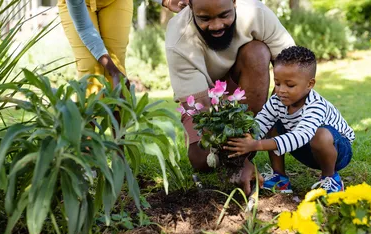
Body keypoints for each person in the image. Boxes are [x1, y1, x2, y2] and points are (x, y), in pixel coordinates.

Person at [165, 0, 295, 195]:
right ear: (190, 6)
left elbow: (292, 66)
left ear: (235, 2)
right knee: (202, 159)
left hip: (240, 87)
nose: (216, 26)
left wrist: (277, 119)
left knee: (257, 52)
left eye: (224, 15)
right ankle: (240, 153)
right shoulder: (178, 38)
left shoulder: (255, 13)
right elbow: (202, 111)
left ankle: (247, 141)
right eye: (205, 18)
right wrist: (237, 163)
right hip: (205, 99)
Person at [224, 46, 355, 194]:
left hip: (337, 152)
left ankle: (330, 179)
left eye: (290, 85)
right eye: (277, 83)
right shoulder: (277, 101)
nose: (281, 90)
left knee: (321, 135)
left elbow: (301, 136)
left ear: (310, 84)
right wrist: (246, 139)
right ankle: (280, 179)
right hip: (305, 148)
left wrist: (255, 145)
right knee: (272, 122)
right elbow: (260, 123)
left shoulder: (316, 105)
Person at [58, 0, 188, 95]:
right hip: (79, 5)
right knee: (90, 69)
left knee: (117, 65)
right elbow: (85, 28)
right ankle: (87, 131)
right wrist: (112, 70)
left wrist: (166, 1)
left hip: (116, 2)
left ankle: (120, 132)